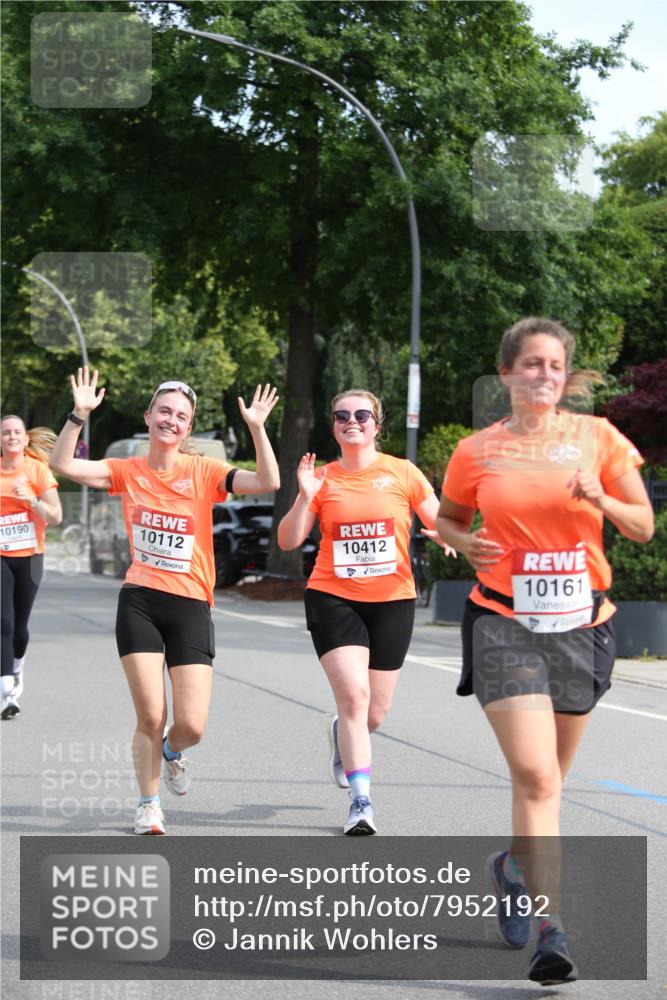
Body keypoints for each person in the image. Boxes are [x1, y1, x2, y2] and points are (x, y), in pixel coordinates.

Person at [435, 317, 654, 985]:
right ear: (504, 375)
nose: (542, 375)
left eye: (553, 366)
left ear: (565, 376)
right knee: (534, 779)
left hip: (581, 627)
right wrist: (461, 542)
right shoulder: (476, 450)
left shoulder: (599, 440)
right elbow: (448, 518)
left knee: (549, 786)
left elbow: (642, 526)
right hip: (503, 621)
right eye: (529, 364)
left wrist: (602, 498)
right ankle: (549, 931)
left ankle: (510, 865)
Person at [49, 368, 280, 835]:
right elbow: (63, 466)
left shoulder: (205, 472)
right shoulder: (126, 471)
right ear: (149, 416)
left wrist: (256, 427)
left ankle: (172, 753)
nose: (171, 420)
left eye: (181, 415)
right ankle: (148, 803)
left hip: (191, 604)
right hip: (139, 601)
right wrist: (78, 415)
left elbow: (267, 481)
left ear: (188, 428)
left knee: (191, 726)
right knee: (151, 714)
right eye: (164, 411)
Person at [278, 389, 454, 836]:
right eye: (341, 415)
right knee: (355, 698)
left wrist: (448, 534)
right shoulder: (320, 478)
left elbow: (437, 517)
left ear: (376, 424)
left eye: (361, 414)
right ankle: (361, 803)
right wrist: (304, 497)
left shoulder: (402, 472)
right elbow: (287, 541)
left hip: (393, 599)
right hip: (333, 596)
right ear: (334, 425)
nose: (350, 421)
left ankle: (343, 734)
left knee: (373, 713)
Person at [1, 416, 62, 719]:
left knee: (19, 629)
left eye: (16, 432)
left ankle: (16, 669)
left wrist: (33, 500)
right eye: (5, 433)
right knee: (4, 621)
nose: (11, 436)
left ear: (25, 440)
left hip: (30, 556)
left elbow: (56, 516)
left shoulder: (38, 471)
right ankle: (5, 689)